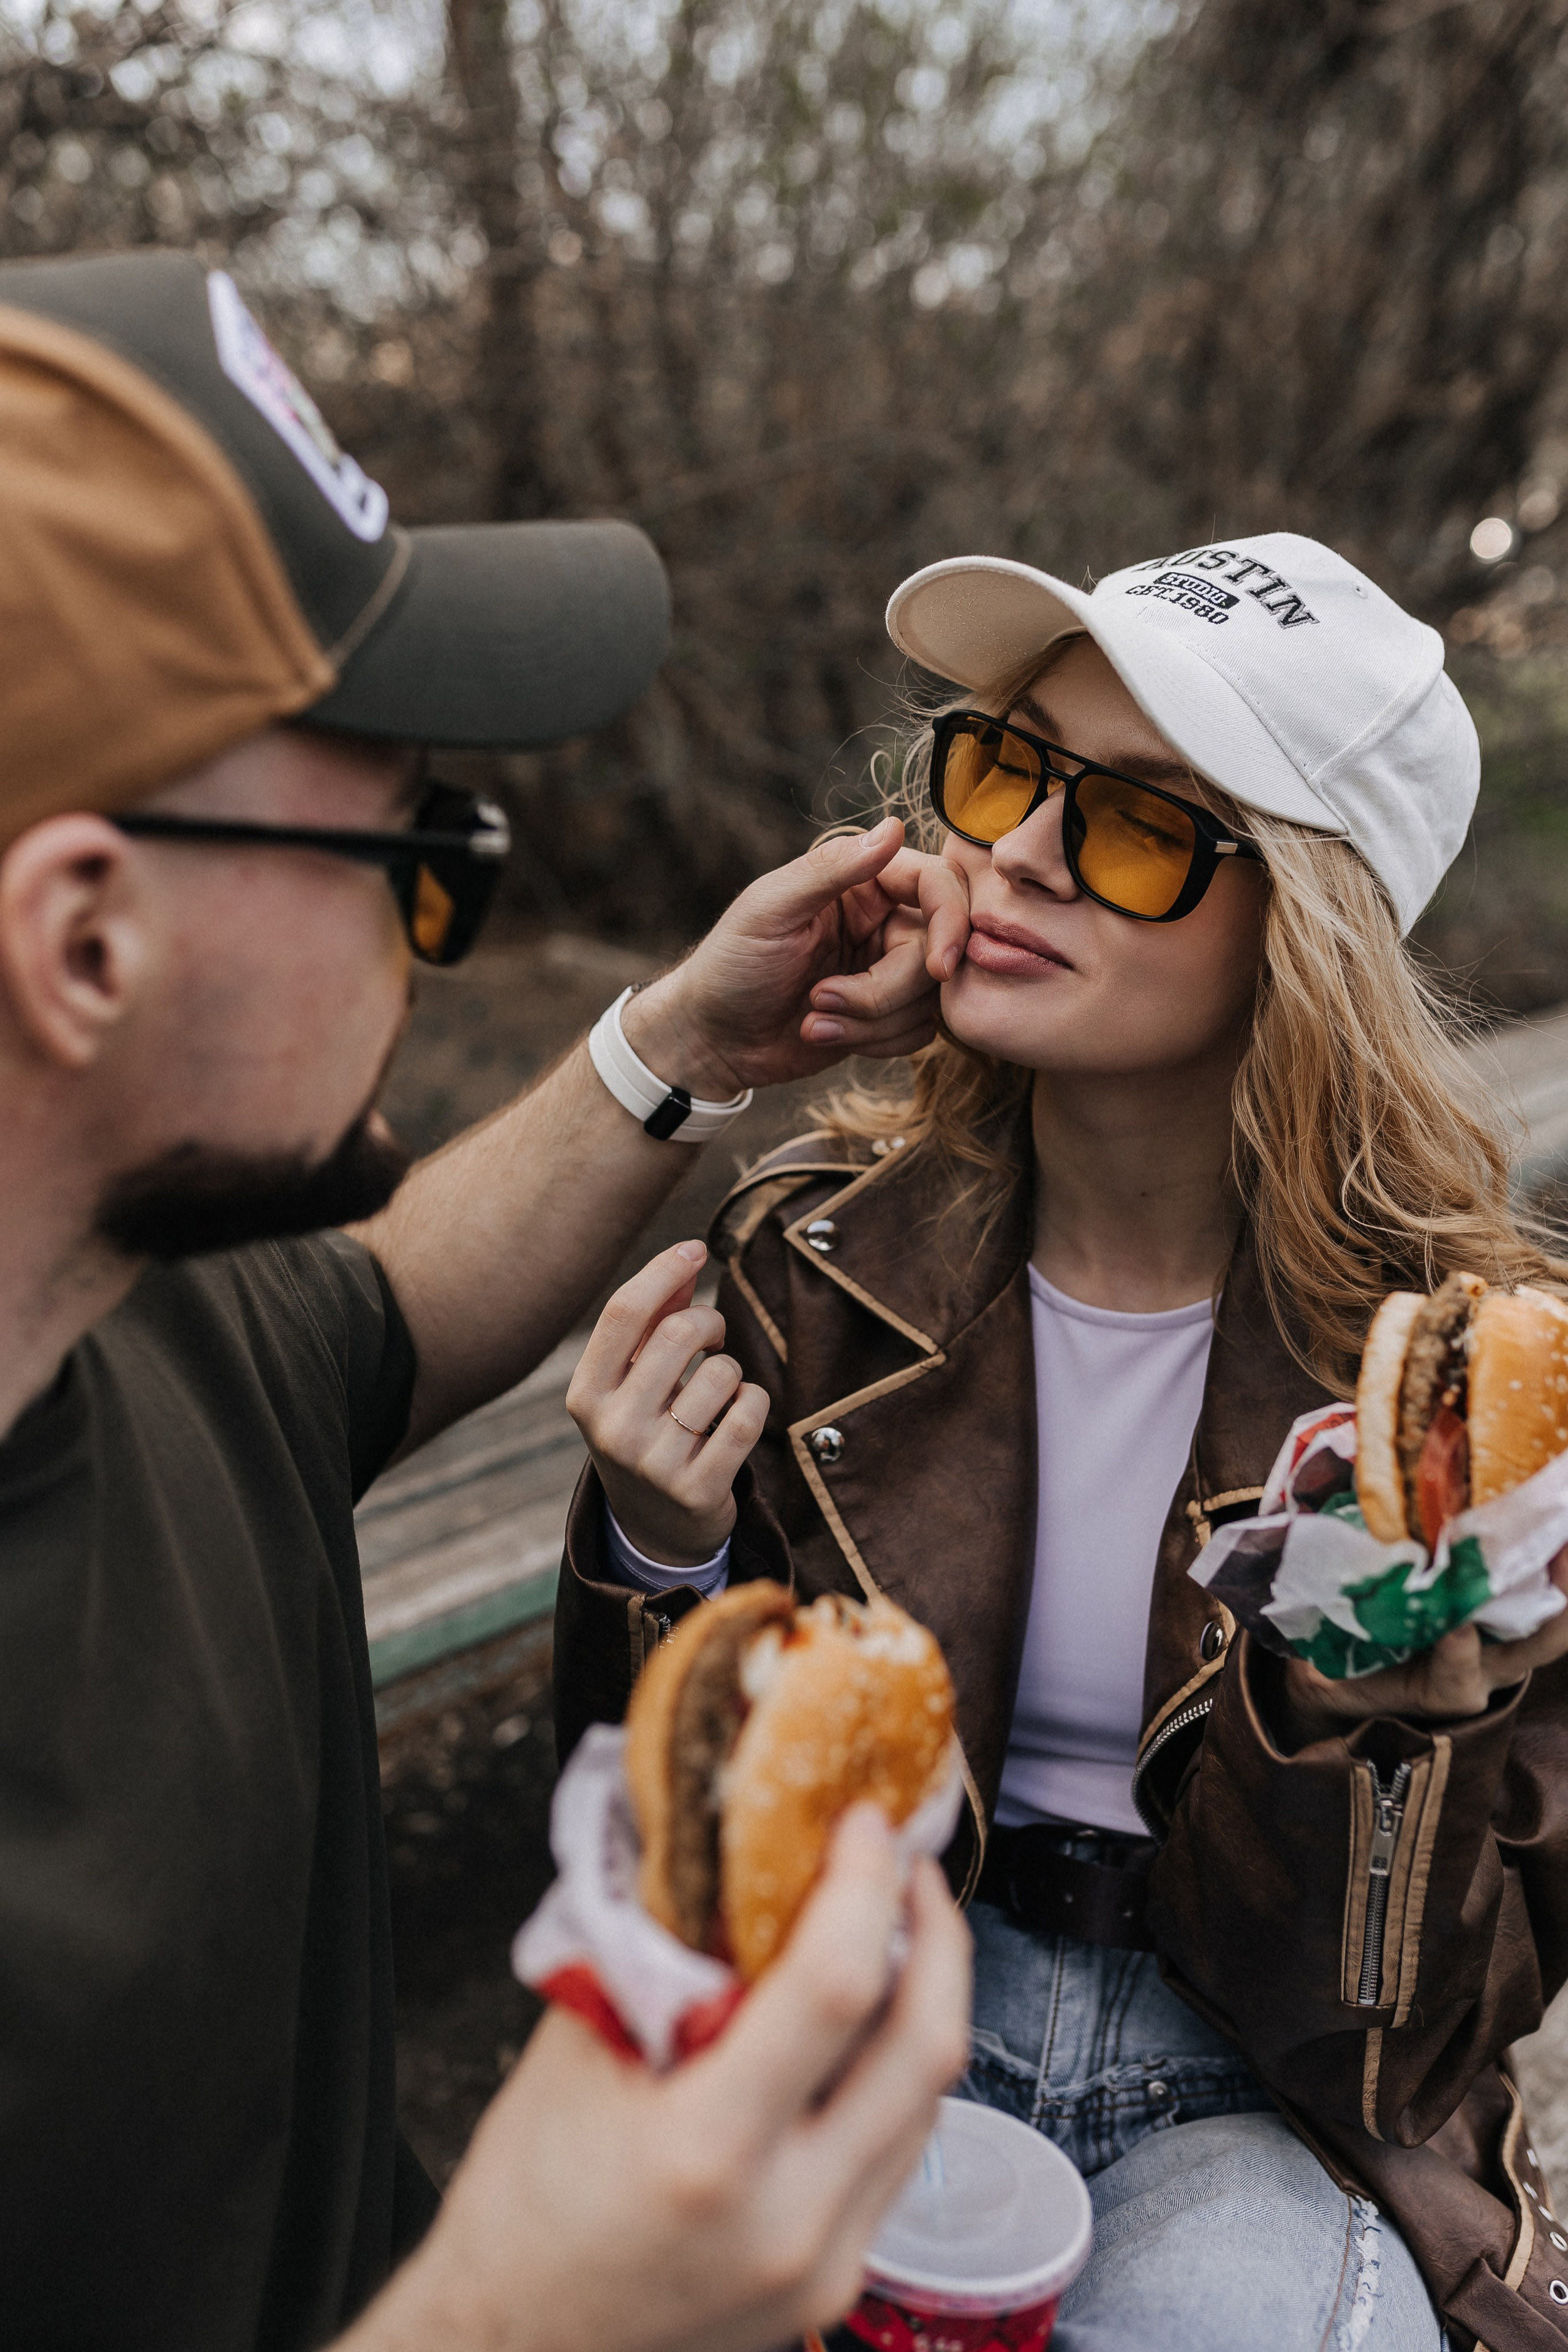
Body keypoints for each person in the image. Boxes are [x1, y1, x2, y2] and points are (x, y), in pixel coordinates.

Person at [0, 246, 974, 2352]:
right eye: (420, 848)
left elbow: (392, 1301)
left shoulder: (133, 1296)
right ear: (84, 942)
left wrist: (694, 1045)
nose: (441, 934)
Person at [559, 533, 1568, 2350]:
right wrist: (657, 1553)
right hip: (875, 2015)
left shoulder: (1474, 1403)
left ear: (1307, 920)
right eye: (1007, 766)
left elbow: (1407, 2036)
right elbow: (658, 1859)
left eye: (1133, 822)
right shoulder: (809, 1253)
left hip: (1265, 2101)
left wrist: (1373, 1714)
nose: (1015, 849)